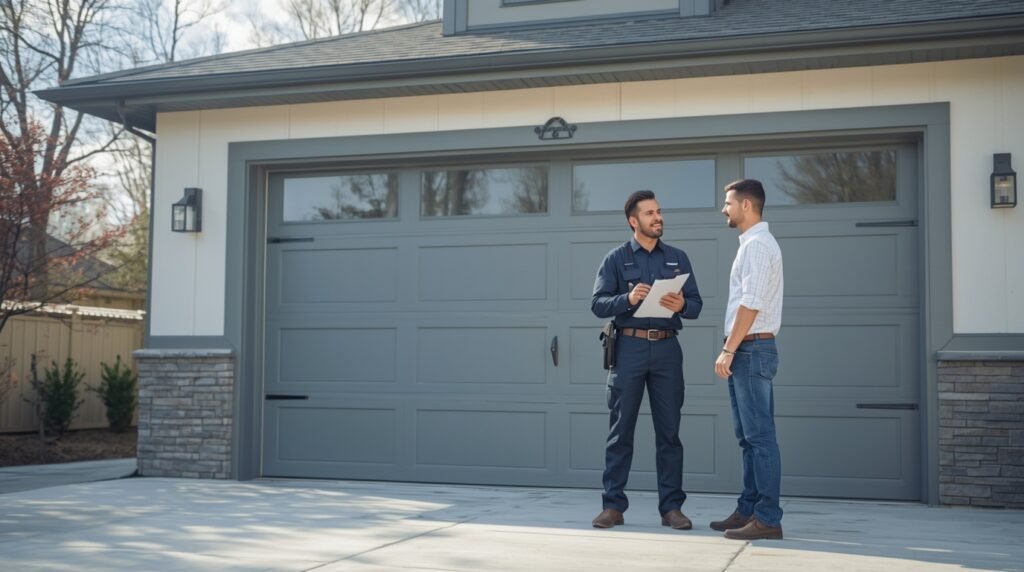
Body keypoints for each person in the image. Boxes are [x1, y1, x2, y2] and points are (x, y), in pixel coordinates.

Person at [590, 190, 703, 530]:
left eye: (659, 212)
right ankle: (613, 506)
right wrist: (629, 297)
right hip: (629, 350)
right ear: (633, 221)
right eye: (650, 213)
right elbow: (598, 304)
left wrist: (681, 305)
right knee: (620, 431)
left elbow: (696, 305)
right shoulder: (615, 258)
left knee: (669, 433)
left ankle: (671, 509)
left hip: (667, 349)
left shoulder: (678, 258)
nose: (658, 218)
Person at [711, 178, 785, 541]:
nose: (723, 209)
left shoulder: (756, 246)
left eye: (728, 203)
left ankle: (768, 518)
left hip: (751, 349)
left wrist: (729, 348)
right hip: (749, 348)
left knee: (760, 437)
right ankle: (748, 509)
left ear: (746, 205)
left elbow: (751, 303)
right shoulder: (753, 244)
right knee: (747, 436)